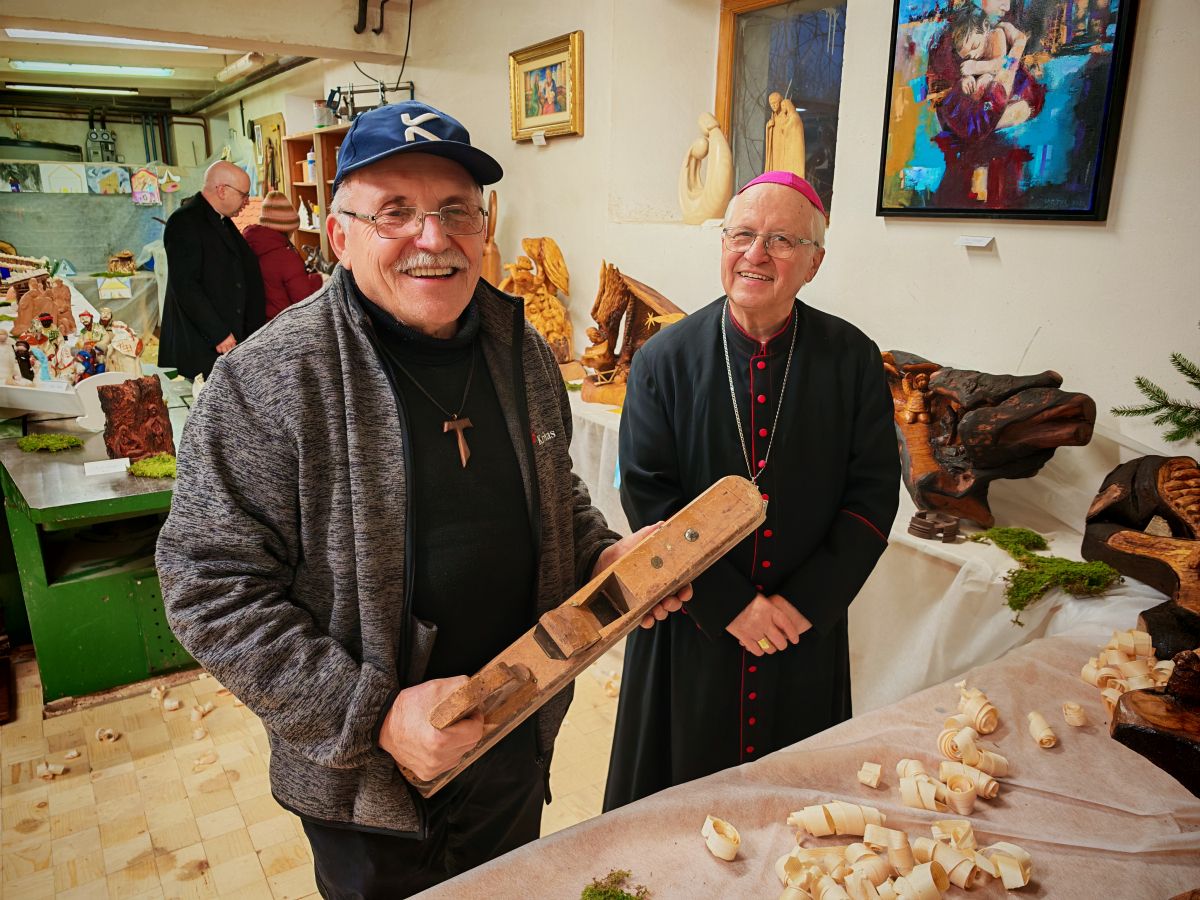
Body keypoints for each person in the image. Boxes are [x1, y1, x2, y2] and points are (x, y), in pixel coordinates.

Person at [156, 100, 689, 898]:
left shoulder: (521, 349)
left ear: (484, 227)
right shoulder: (267, 380)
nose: (433, 239)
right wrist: (375, 716)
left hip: (515, 731)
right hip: (367, 784)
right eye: (395, 213)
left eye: (455, 211)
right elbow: (208, 586)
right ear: (339, 236)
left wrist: (601, 554)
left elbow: (557, 495)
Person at [604, 171, 900, 811]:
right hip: (692, 623)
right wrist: (730, 604)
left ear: (814, 263)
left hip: (799, 629)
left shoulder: (852, 358)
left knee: (797, 815)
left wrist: (803, 604)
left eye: (781, 240)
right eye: (741, 235)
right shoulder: (664, 359)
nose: (755, 254)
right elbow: (650, 496)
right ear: (723, 245)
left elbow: (873, 497)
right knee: (673, 813)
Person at [159, 159, 266, 381]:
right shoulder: (184, 221)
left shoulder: (221, 219)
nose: (247, 202)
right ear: (222, 190)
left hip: (229, 341)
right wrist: (218, 333)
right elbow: (185, 286)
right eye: (243, 195)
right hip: (205, 344)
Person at [243, 190, 323, 320]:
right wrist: (319, 279)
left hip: (258, 322)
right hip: (284, 323)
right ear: (287, 227)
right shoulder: (286, 257)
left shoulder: (249, 245)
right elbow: (303, 298)